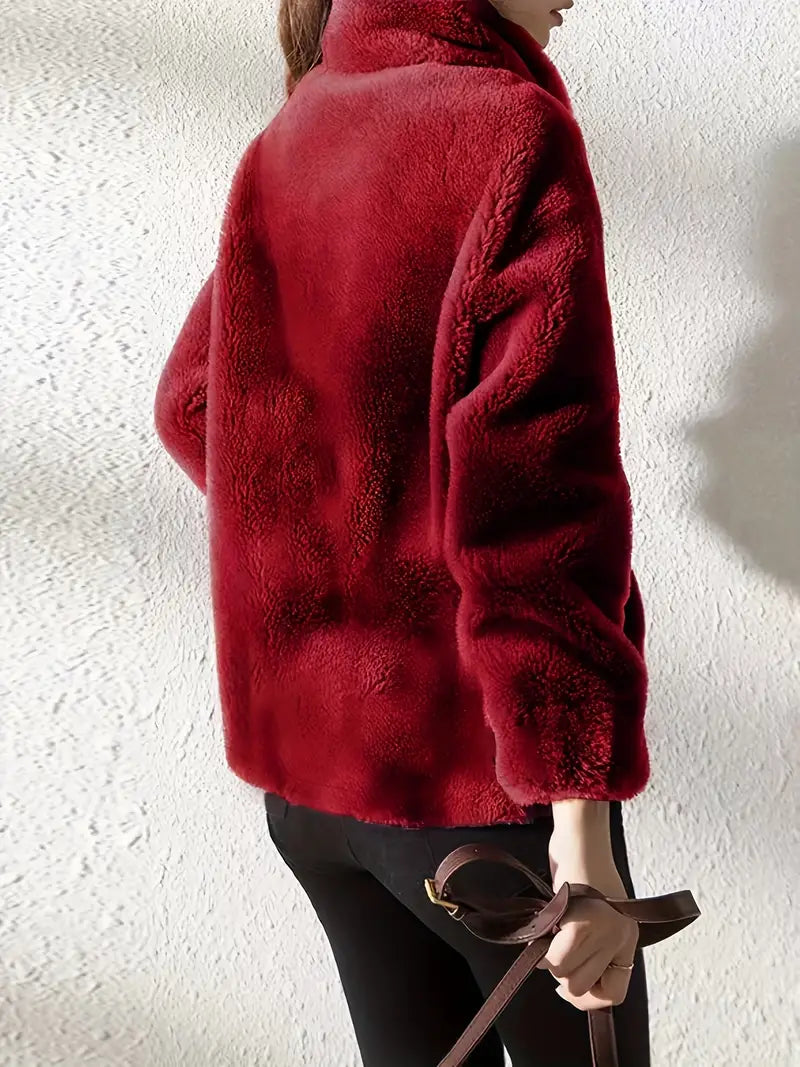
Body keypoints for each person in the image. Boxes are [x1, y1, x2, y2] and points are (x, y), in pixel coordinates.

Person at [154, 0, 653, 1063]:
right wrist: (584, 835)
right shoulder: (508, 128)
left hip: (315, 801)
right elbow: (536, 510)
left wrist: (352, 550)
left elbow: (194, 403)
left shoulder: (297, 128)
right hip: (477, 805)